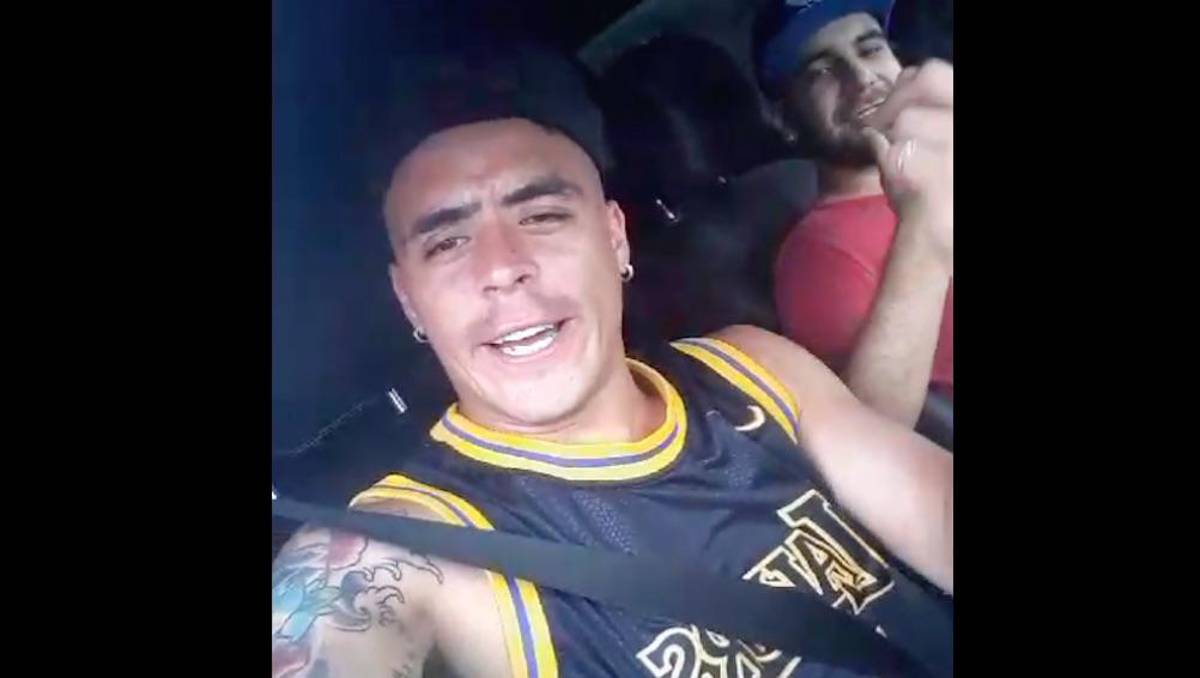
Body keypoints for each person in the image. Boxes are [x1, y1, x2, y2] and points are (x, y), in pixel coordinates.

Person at [272, 46, 954, 677]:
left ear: (616, 239)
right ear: (409, 302)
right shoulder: (396, 550)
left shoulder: (750, 366)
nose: (502, 269)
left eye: (541, 216)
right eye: (447, 243)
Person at [754, 0, 953, 428]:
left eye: (870, 49)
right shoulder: (816, 253)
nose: (862, 78)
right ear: (786, 119)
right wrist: (926, 229)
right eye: (822, 71)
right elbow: (871, 429)